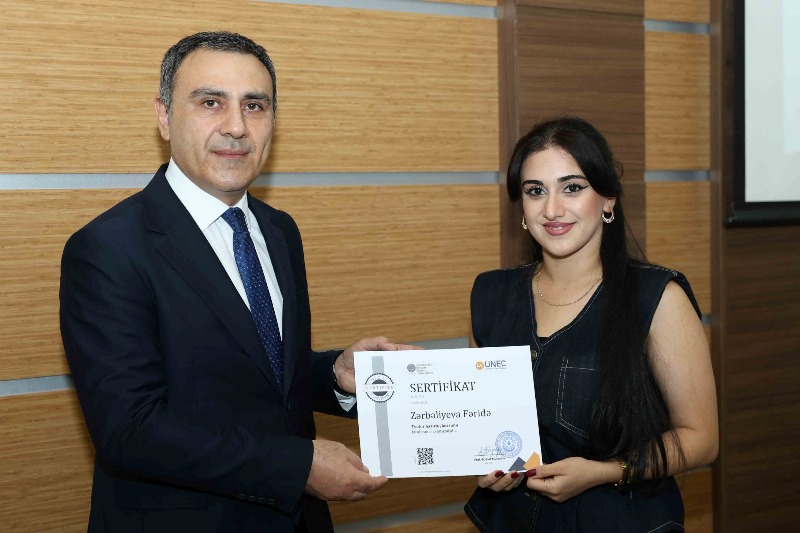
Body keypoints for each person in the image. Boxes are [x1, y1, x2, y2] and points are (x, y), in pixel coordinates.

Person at [60, 31, 415, 533]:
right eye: (211, 103)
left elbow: (256, 373)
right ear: (164, 116)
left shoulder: (279, 230)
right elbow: (131, 429)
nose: (236, 127)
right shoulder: (107, 248)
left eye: (254, 106)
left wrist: (332, 374)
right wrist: (298, 466)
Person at [464, 117, 718, 532]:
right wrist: (485, 460)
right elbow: (485, 423)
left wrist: (604, 471)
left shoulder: (656, 297)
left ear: (607, 201)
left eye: (572, 188)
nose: (552, 210)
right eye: (535, 191)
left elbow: (701, 438)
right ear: (521, 208)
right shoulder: (491, 295)